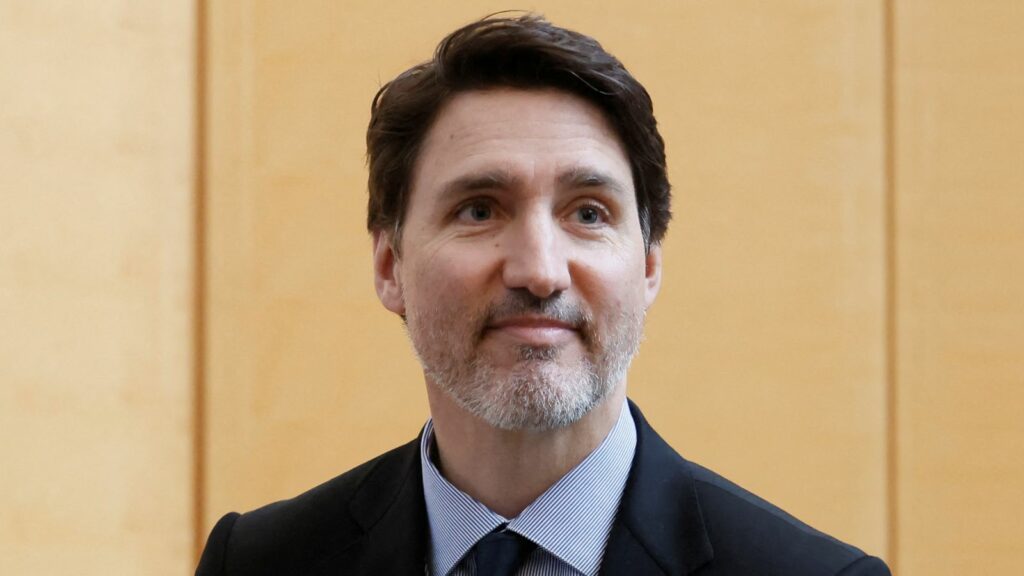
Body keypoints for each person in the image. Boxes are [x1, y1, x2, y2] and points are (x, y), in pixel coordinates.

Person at [196, 14, 891, 576]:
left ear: (649, 265)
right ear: (389, 265)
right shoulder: (258, 564)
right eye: (479, 209)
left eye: (588, 213)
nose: (539, 270)